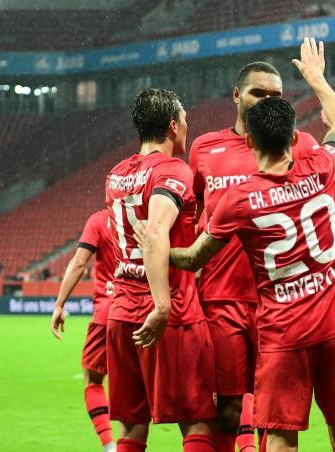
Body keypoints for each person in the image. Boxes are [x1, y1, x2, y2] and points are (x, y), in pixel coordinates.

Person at [155, 38, 335, 452]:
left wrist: (154, 251)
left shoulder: (248, 191)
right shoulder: (314, 161)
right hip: (239, 300)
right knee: (238, 411)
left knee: (279, 428)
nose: (266, 101)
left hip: (277, 315)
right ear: (237, 95)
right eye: (258, 93)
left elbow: (195, 252)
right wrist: (319, 81)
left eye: (275, 95)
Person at [105, 88, 217, 452]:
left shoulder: (116, 175)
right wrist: (163, 305)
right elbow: (154, 231)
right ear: (172, 126)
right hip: (169, 313)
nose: (186, 126)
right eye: (184, 120)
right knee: (197, 420)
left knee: (132, 426)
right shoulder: (173, 170)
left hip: (121, 312)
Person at [50, 209, 118, 452]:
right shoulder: (151, 215)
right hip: (145, 310)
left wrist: (59, 304)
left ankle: (110, 447)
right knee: (139, 389)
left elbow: (79, 262)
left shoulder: (100, 220)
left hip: (108, 312)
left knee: (93, 380)